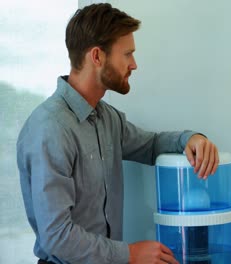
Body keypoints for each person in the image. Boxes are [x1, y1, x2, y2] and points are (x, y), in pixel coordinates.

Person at [16, 3, 219, 264]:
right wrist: (130, 254)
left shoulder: (107, 118)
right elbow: (56, 235)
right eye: (127, 54)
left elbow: (152, 144)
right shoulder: (50, 128)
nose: (134, 64)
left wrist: (191, 139)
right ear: (97, 57)